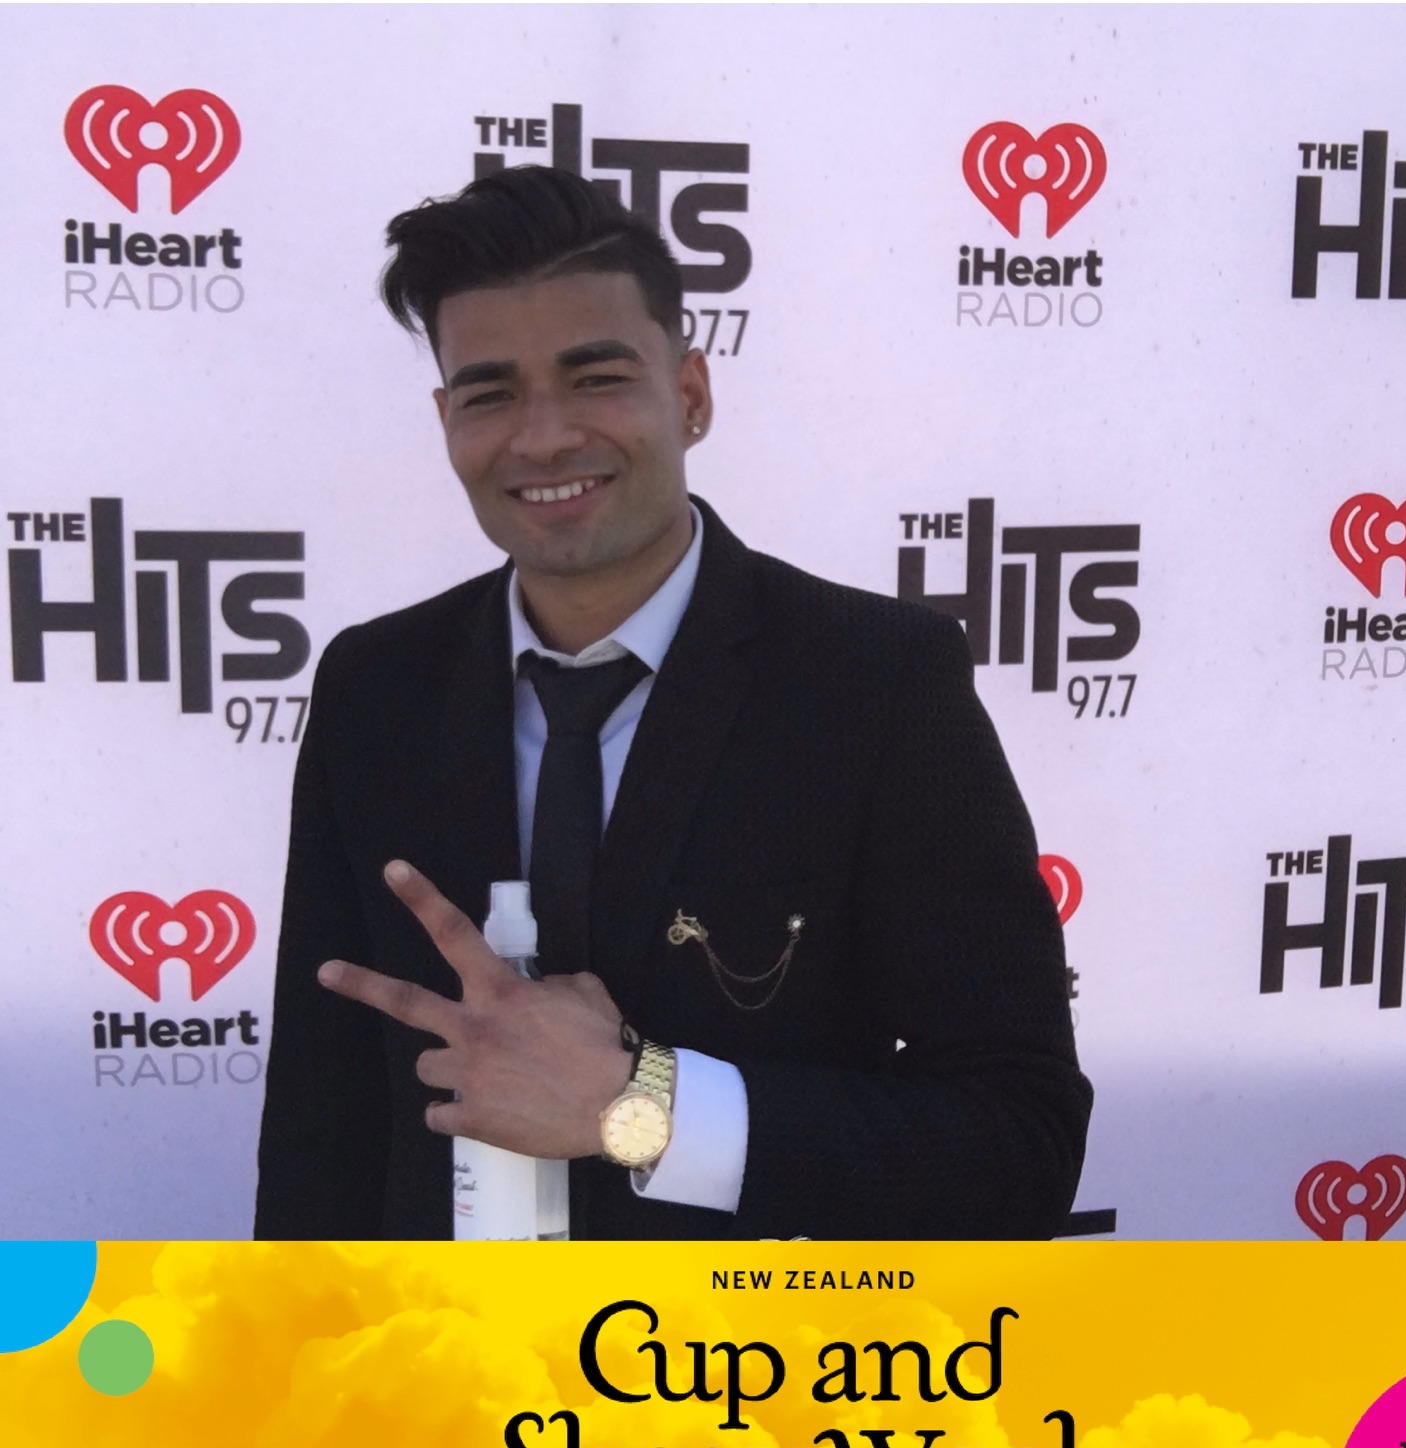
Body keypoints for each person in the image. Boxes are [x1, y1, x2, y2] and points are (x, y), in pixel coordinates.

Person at [253, 164, 1091, 1241]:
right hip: (445, 1337)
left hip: (749, 1342)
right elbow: (322, 1124)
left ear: (690, 394)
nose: (543, 436)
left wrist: (638, 1107)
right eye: (490, 393)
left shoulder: (878, 683)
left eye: (596, 377)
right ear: (446, 417)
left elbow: (1018, 1140)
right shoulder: (376, 685)